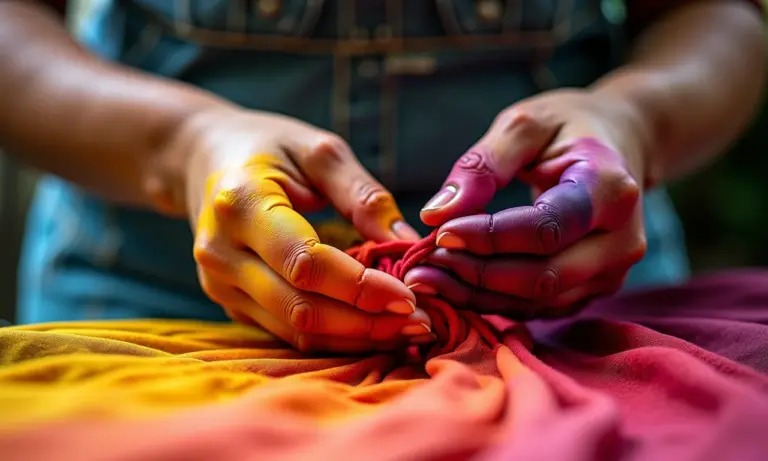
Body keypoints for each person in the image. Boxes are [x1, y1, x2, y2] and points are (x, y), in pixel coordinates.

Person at [0, 0, 764, 352]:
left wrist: (635, 120)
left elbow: (716, 14)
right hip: (152, 309)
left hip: (578, 320)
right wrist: (184, 145)